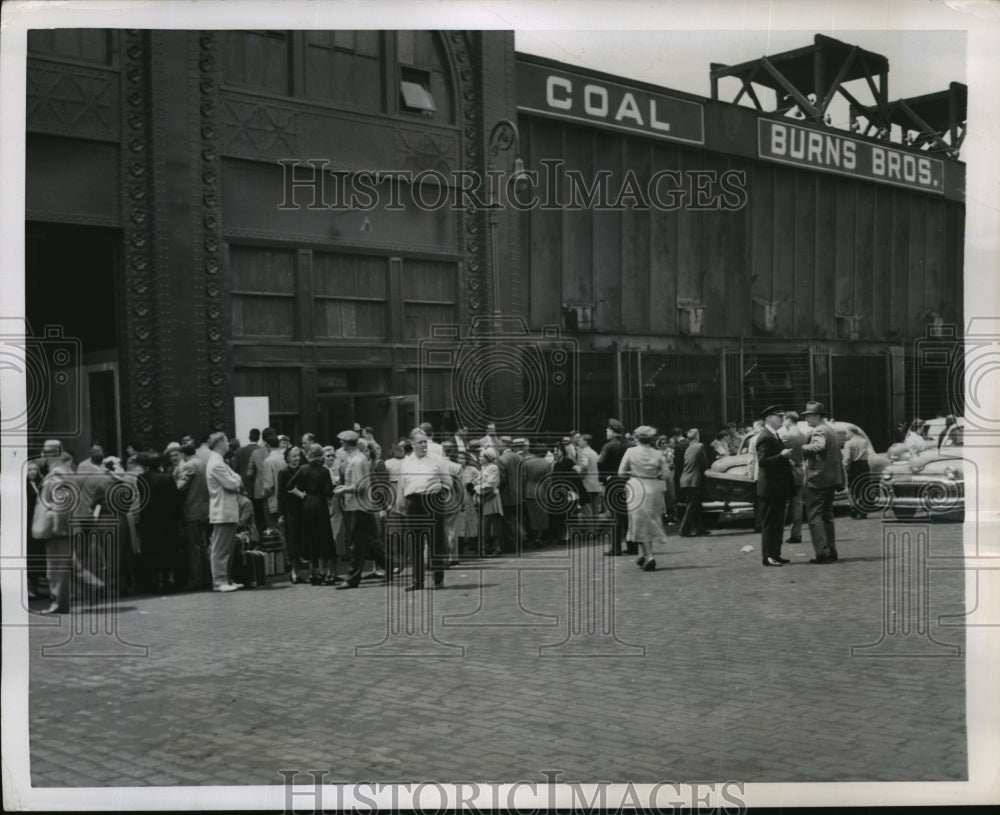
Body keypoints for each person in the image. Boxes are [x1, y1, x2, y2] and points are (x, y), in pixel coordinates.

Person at [396, 428, 451, 589]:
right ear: (412, 443)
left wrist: (440, 498)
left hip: (432, 500)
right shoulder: (406, 462)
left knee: (436, 541)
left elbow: (447, 482)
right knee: (416, 542)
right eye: (420, 442)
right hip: (413, 502)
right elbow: (402, 484)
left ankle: (438, 579)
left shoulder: (437, 460)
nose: (424, 445)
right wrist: (401, 503)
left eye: (425, 441)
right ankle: (417, 581)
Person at [335, 431, 388, 589]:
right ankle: (391, 565)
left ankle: (353, 577)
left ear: (347, 443)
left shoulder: (357, 460)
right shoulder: (356, 458)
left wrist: (344, 490)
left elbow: (360, 485)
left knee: (357, 543)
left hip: (359, 505)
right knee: (371, 540)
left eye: (342, 442)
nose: (341, 444)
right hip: (360, 504)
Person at [618, 425, 670, 572]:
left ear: (636, 438)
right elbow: (666, 476)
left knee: (639, 522)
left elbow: (621, 473)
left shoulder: (630, 451)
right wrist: (654, 475)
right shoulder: (658, 454)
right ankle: (642, 555)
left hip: (637, 487)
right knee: (650, 520)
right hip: (654, 488)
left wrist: (633, 472)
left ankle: (649, 557)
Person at [288, 444, 340, 584]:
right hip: (320, 504)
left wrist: (301, 494)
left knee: (310, 537)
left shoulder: (303, 469)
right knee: (323, 537)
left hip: (306, 503)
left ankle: (313, 572)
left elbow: (289, 485)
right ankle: (323, 570)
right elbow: (328, 492)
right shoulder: (324, 471)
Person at [34, 441, 75, 614]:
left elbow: (61, 503)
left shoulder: (58, 474)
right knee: (60, 567)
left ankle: (58, 604)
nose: (42, 456)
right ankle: (60, 602)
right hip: (60, 528)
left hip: (57, 530)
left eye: (44, 452)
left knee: (56, 569)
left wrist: (58, 527)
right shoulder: (65, 471)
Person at [800, 401, 844, 564]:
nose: (807, 419)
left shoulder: (819, 430)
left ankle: (822, 553)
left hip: (818, 479)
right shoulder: (830, 430)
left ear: (818, 416)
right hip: (830, 479)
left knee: (815, 516)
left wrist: (801, 447)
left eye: (809, 416)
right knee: (827, 516)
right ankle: (831, 550)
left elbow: (819, 446)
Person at [755, 406, 795, 567]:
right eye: (779, 416)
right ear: (769, 418)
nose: (782, 419)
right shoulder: (765, 436)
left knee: (777, 524)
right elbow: (763, 461)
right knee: (770, 524)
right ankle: (768, 556)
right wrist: (782, 456)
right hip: (770, 488)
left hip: (776, 488)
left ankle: (775, 554)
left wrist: (785, 459)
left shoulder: (773, 435)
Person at [205, 432, 244, 592]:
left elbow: (235, 478)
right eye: (226, 441)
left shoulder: (219, 461)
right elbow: (233, 483)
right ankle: (219, 581)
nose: (228, 444)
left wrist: (236, 479)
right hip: (223, 510)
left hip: (226, 510)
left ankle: (226, 578)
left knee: (226, 547)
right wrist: (236, 480)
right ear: (219, 443)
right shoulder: (217, 463)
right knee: (221, 548)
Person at [137, 451, 182, 593]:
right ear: (161, 464)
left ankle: (152, 582)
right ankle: (166, 581)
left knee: (150, 552)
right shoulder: (167, 478)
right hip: (166, 521)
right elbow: (175, 500)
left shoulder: (141, 478)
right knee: (167, 552)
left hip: (148, 521)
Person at [174, 441, 211, 589]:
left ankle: (197, 580)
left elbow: (180, 487)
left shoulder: (190, 465)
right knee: (202, 546)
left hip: (192, 510)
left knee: (194, 548)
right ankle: (206, 577)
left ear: (183, 454)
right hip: (203, 510)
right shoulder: (202, 463)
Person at [598, 418, 631, 556]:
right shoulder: (630, 445)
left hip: (612, 483)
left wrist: (604, 478)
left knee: (614, 516)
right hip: (628, 482)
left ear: (612, 431)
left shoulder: (608, 446)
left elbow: (600, 462)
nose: (606, 432)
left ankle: (615, 548)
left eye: (607, 430)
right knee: (627, 516)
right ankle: (633, 546)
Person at [276, 446, 305, 583]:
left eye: (298, 455)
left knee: (302, 539)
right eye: (294, 456)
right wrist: (281, 514)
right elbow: (280, 494)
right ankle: (294, 572)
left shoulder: (303, 470)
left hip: (303, 509)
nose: (297, 458)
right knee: (292, 540)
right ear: (287, 458)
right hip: (290, 510)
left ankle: (302, 571)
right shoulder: (283, 472)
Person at [522, 441, 553, 548]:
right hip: (541, 492)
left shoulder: (527, 462)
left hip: (529, 492)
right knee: (541, 517)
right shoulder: (546, 464)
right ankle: (538, 538)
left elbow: (523, 479)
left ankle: (528, 537)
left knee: (530, 516)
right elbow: (548, 481)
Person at [780, 412, 806, 543]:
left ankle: (779, 533)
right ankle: (796, 533)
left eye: (784, 419)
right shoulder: (802, 435)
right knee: (797, 504)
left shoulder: (788, 435)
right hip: (799, 471)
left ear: (789, 420)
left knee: (783, 505)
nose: (783, 421)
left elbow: (778, 450)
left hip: (789, 472)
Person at [474, 446, 504, 557]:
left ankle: (496, 547)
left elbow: (491, 484)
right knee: (485, 524)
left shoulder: (493, 468)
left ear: (487, 458)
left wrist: (476, 488)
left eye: (481, 456)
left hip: (491, 498)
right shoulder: (483, 468)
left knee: (492, 523)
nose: (479, 458)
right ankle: (486, 547)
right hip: (483, 498)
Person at [678, 429, 709, 537]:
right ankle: (683, 530)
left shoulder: (689, 447)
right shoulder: (700, 446)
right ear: (697, 436)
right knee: (691, 507)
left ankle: (700, 528)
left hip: (685, 480)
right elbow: (704, 463)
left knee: (694, 506)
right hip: (694, 481)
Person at [498, 437, 526, 552]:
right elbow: (524, 476)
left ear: (504, 444)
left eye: (499, 443)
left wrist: (497, 490)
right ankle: (521, 540)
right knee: (516, 519)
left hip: (507, 494)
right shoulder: (519, 458)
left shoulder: (501, 459)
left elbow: (502, 480)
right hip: (518, 493)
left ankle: (511, 544)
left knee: (508, 520)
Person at [25, 459, 45, 600]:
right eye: (29, 470)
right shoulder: (24, 486)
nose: (32, 472)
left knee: (38, 555)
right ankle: (30, 588)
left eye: (34, 470)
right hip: (28, 524)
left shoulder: (40, 484)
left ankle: (37, 586)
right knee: (30, 556)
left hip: (39, 524)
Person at [842, 425, 871, 520]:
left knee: (852, 487)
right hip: (864, 465)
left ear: (851, 432)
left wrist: (845, 465)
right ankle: (864, 509)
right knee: (863, 486)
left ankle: (855, 508)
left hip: (854, 465)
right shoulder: (864, 441)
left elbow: (847, 458)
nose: (846, 435)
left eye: (847, 433)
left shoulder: (848, 443)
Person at [574, 434, 601, 516]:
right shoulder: (594, 452)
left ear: (585, 442)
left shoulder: (584, 453)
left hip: (586, 486)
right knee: (595, 510)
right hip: (595, 485)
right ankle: (596, 528)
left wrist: (579, 476)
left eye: (580, 440)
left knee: (587, 510)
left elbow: (584, 466)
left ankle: (590, 529)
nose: (579, 442)